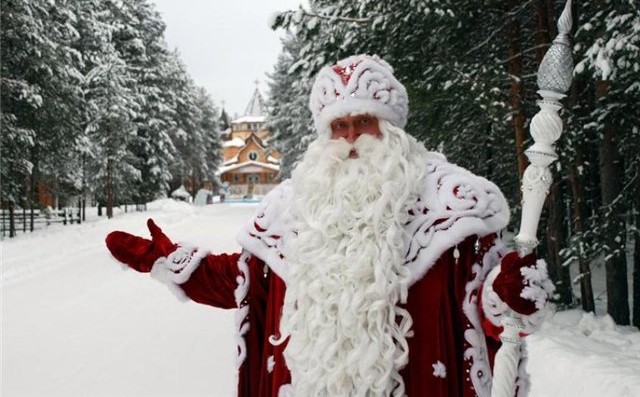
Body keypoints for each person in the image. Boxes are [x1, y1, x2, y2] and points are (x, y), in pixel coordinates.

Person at [105, 55, 553, 397]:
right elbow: (246, 282)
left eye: (364, 121)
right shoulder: (292, 207)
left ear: (391, 127)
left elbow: (490, 309)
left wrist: (508, 296)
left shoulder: (453, 209)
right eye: (340, 125)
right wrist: (168, 261)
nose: (352, 136)